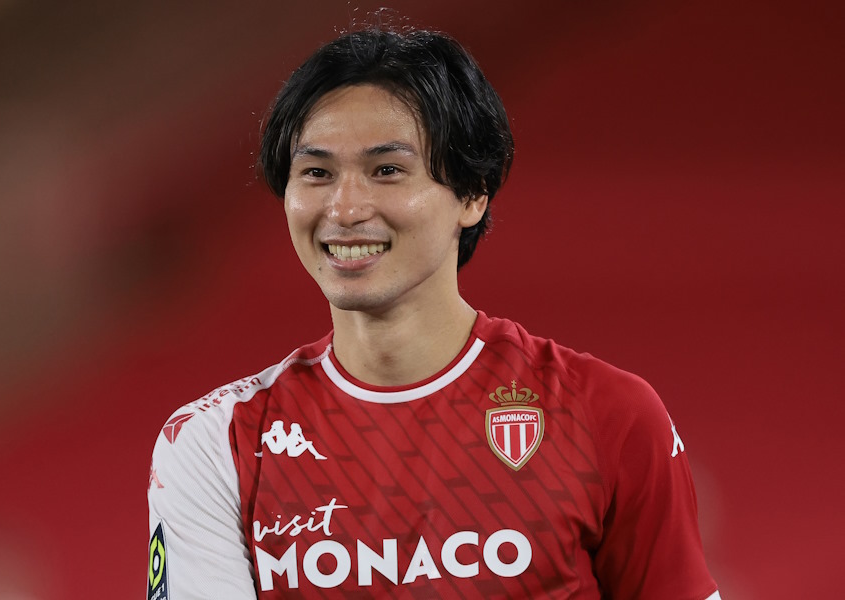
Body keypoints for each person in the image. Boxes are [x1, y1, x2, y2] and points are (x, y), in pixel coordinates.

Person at [147, 26, 721, 599]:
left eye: (387, 170)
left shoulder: (609, 416)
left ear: (473, 194)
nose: (344, 208)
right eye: (317, 173)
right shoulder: (213, 443)